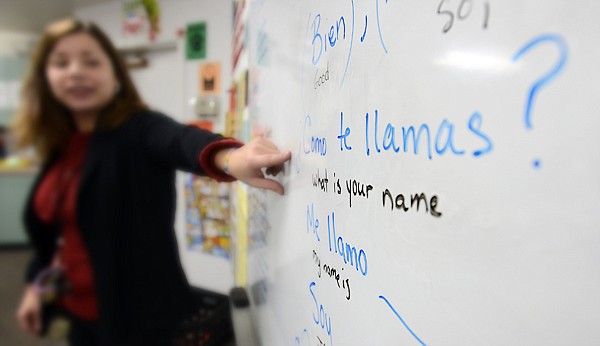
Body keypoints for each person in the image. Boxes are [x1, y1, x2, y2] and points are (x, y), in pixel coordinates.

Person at [12, 18, 291, 346]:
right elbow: (61, 234)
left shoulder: (138, 128)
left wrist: (230, 158)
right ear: (46, 78)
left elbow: (179, 140)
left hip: (138, 319)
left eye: (90, 61)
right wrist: (37, 287)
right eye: (61, 63)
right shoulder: (60, 145)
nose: (75, 71)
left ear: (114, 74)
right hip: (79, 313)